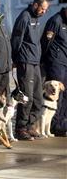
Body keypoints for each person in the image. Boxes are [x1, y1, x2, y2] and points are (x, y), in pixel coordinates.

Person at [11, 0, 49, 140]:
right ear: (35, 5)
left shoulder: (36, 19)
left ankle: (30, 126)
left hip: (35, 62)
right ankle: (21, 128)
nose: (44, 12)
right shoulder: (24, 17)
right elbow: (16, 40)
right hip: (25, 61)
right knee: (27, 96)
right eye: (43, 9)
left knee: (38, 97)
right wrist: (15, 59)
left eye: (46, 9)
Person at [40, 7, 67, 137]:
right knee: (57, 95)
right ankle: (55, 125)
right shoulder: (56, 21)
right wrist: (44, 60)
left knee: (65, 93)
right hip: (56, 62)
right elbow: (46, 42)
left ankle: (62, 123)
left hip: (65, 62)